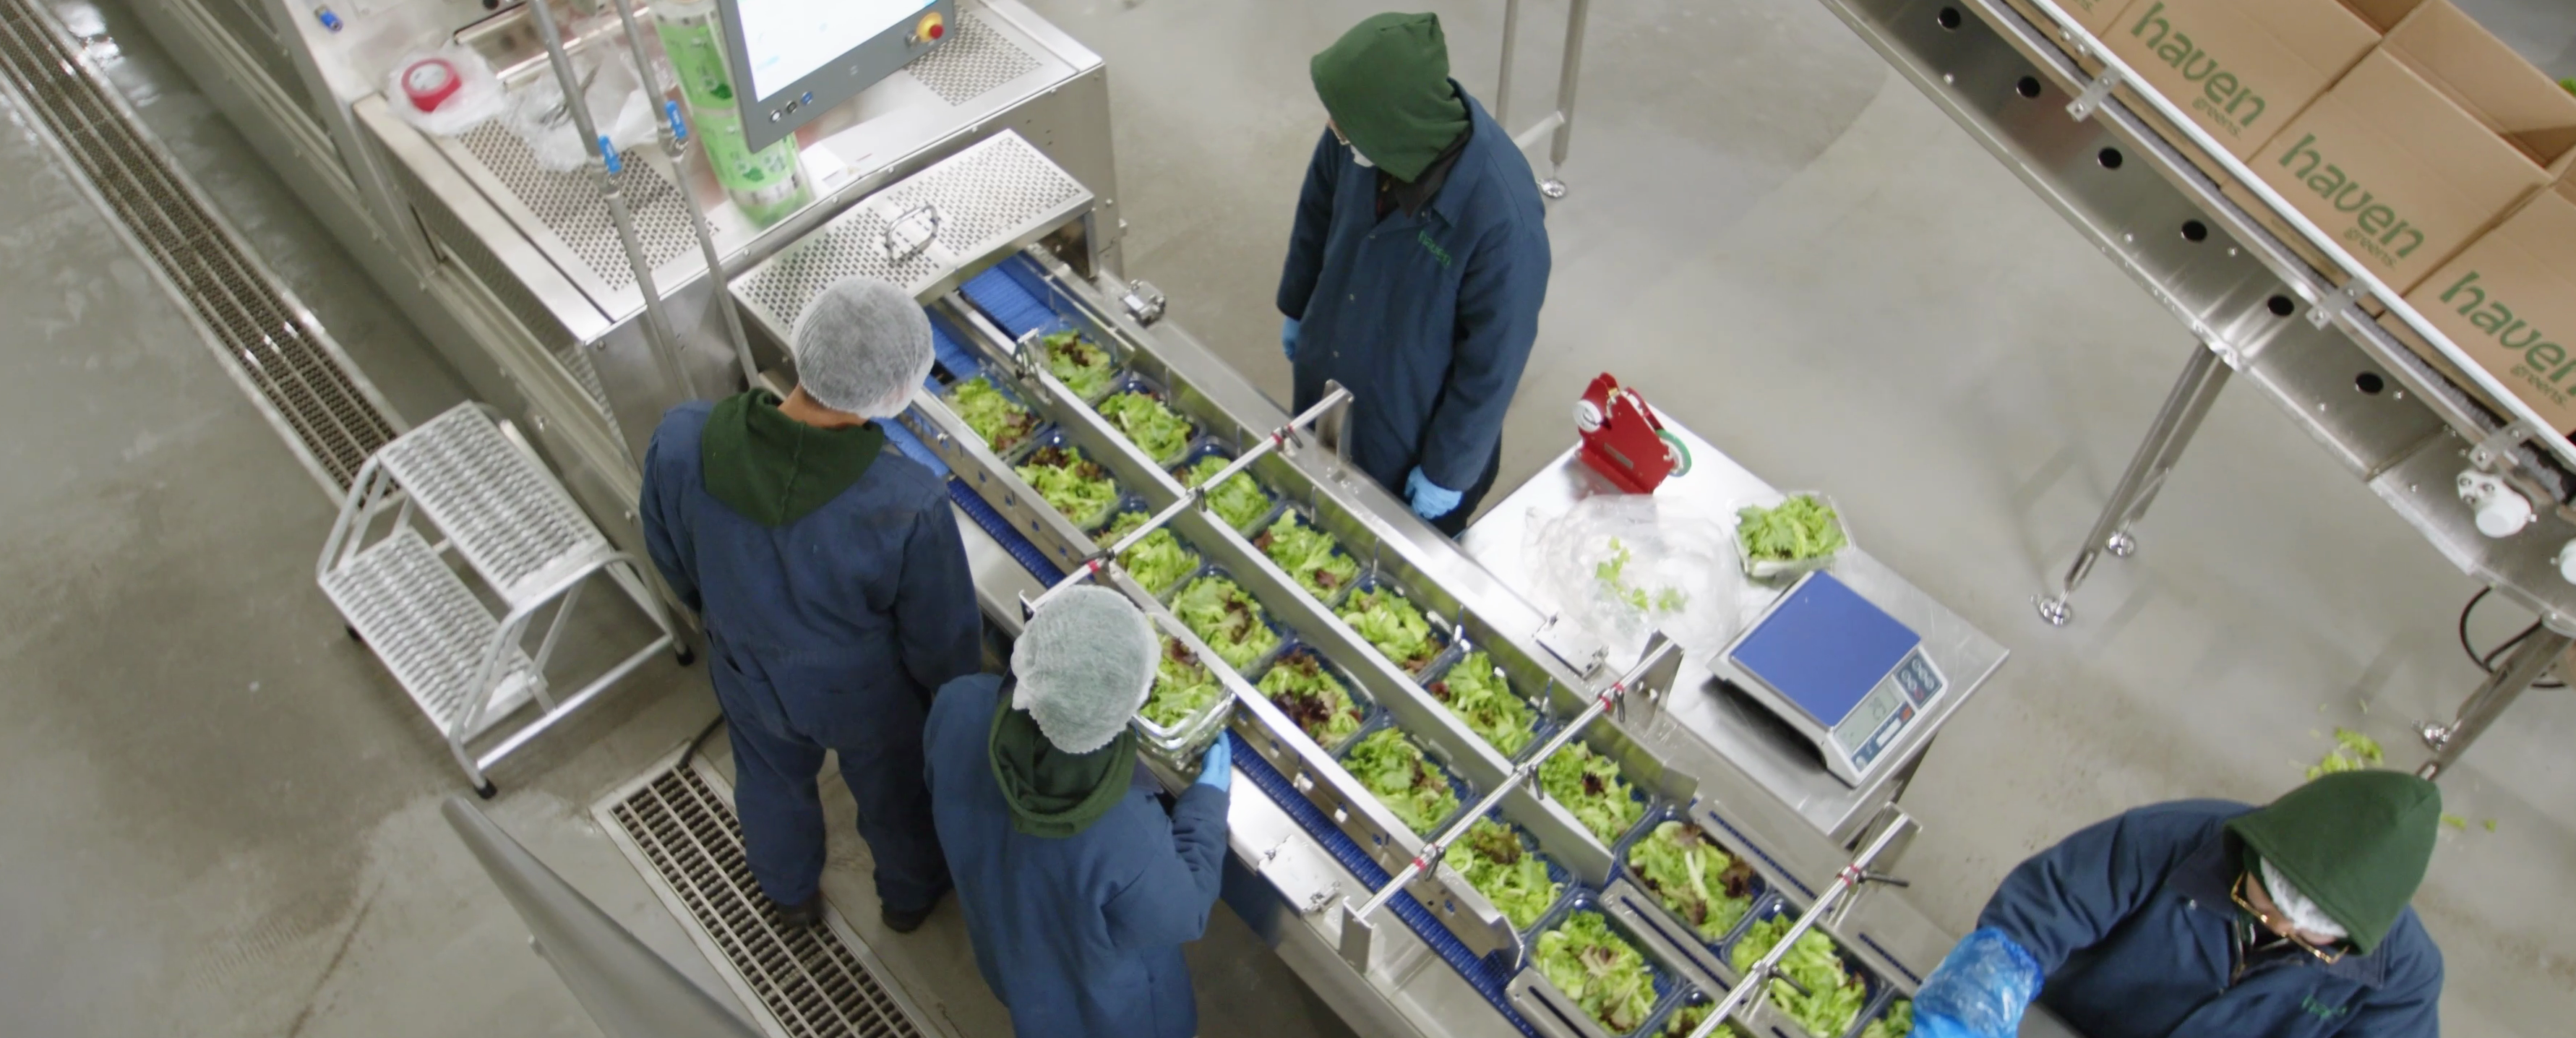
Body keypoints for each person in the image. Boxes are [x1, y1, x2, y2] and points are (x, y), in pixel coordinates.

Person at [639, 275, 980, 934]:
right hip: (863, 693)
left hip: (743, 665)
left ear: (803, 346)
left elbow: (669, 551)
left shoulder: (684, 438)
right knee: (895, 792)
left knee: (768, 777)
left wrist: (724, 619)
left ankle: (788, 892)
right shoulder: (906, 501)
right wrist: (948, 704)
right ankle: (908, 897)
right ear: (895, 394)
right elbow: (942, 642)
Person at [1276, 11, 1552, 536]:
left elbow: (1493, 361)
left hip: (1407, 435)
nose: (1332, 128)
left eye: (1343, 121)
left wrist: (1448, 470)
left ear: (1397, 123)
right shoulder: (1361, 134)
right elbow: (1316, 210)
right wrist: (1298, 304)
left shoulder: (1502, 221)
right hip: (1328, 376)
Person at [1911, 770, 2445, 1038]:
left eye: (2308, 938)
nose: (2278, 927)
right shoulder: (2171, 838)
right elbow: (2039, 915)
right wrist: (1981, 993)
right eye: (2264, 904)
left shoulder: (2402, 978)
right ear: (2255, 853)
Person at [923, 586, 1232, 1038]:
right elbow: (1184, 913)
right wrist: (1205, 809)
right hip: (1108, 1014)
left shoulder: (959, 705)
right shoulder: (1126, 832)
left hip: (1009, 959)